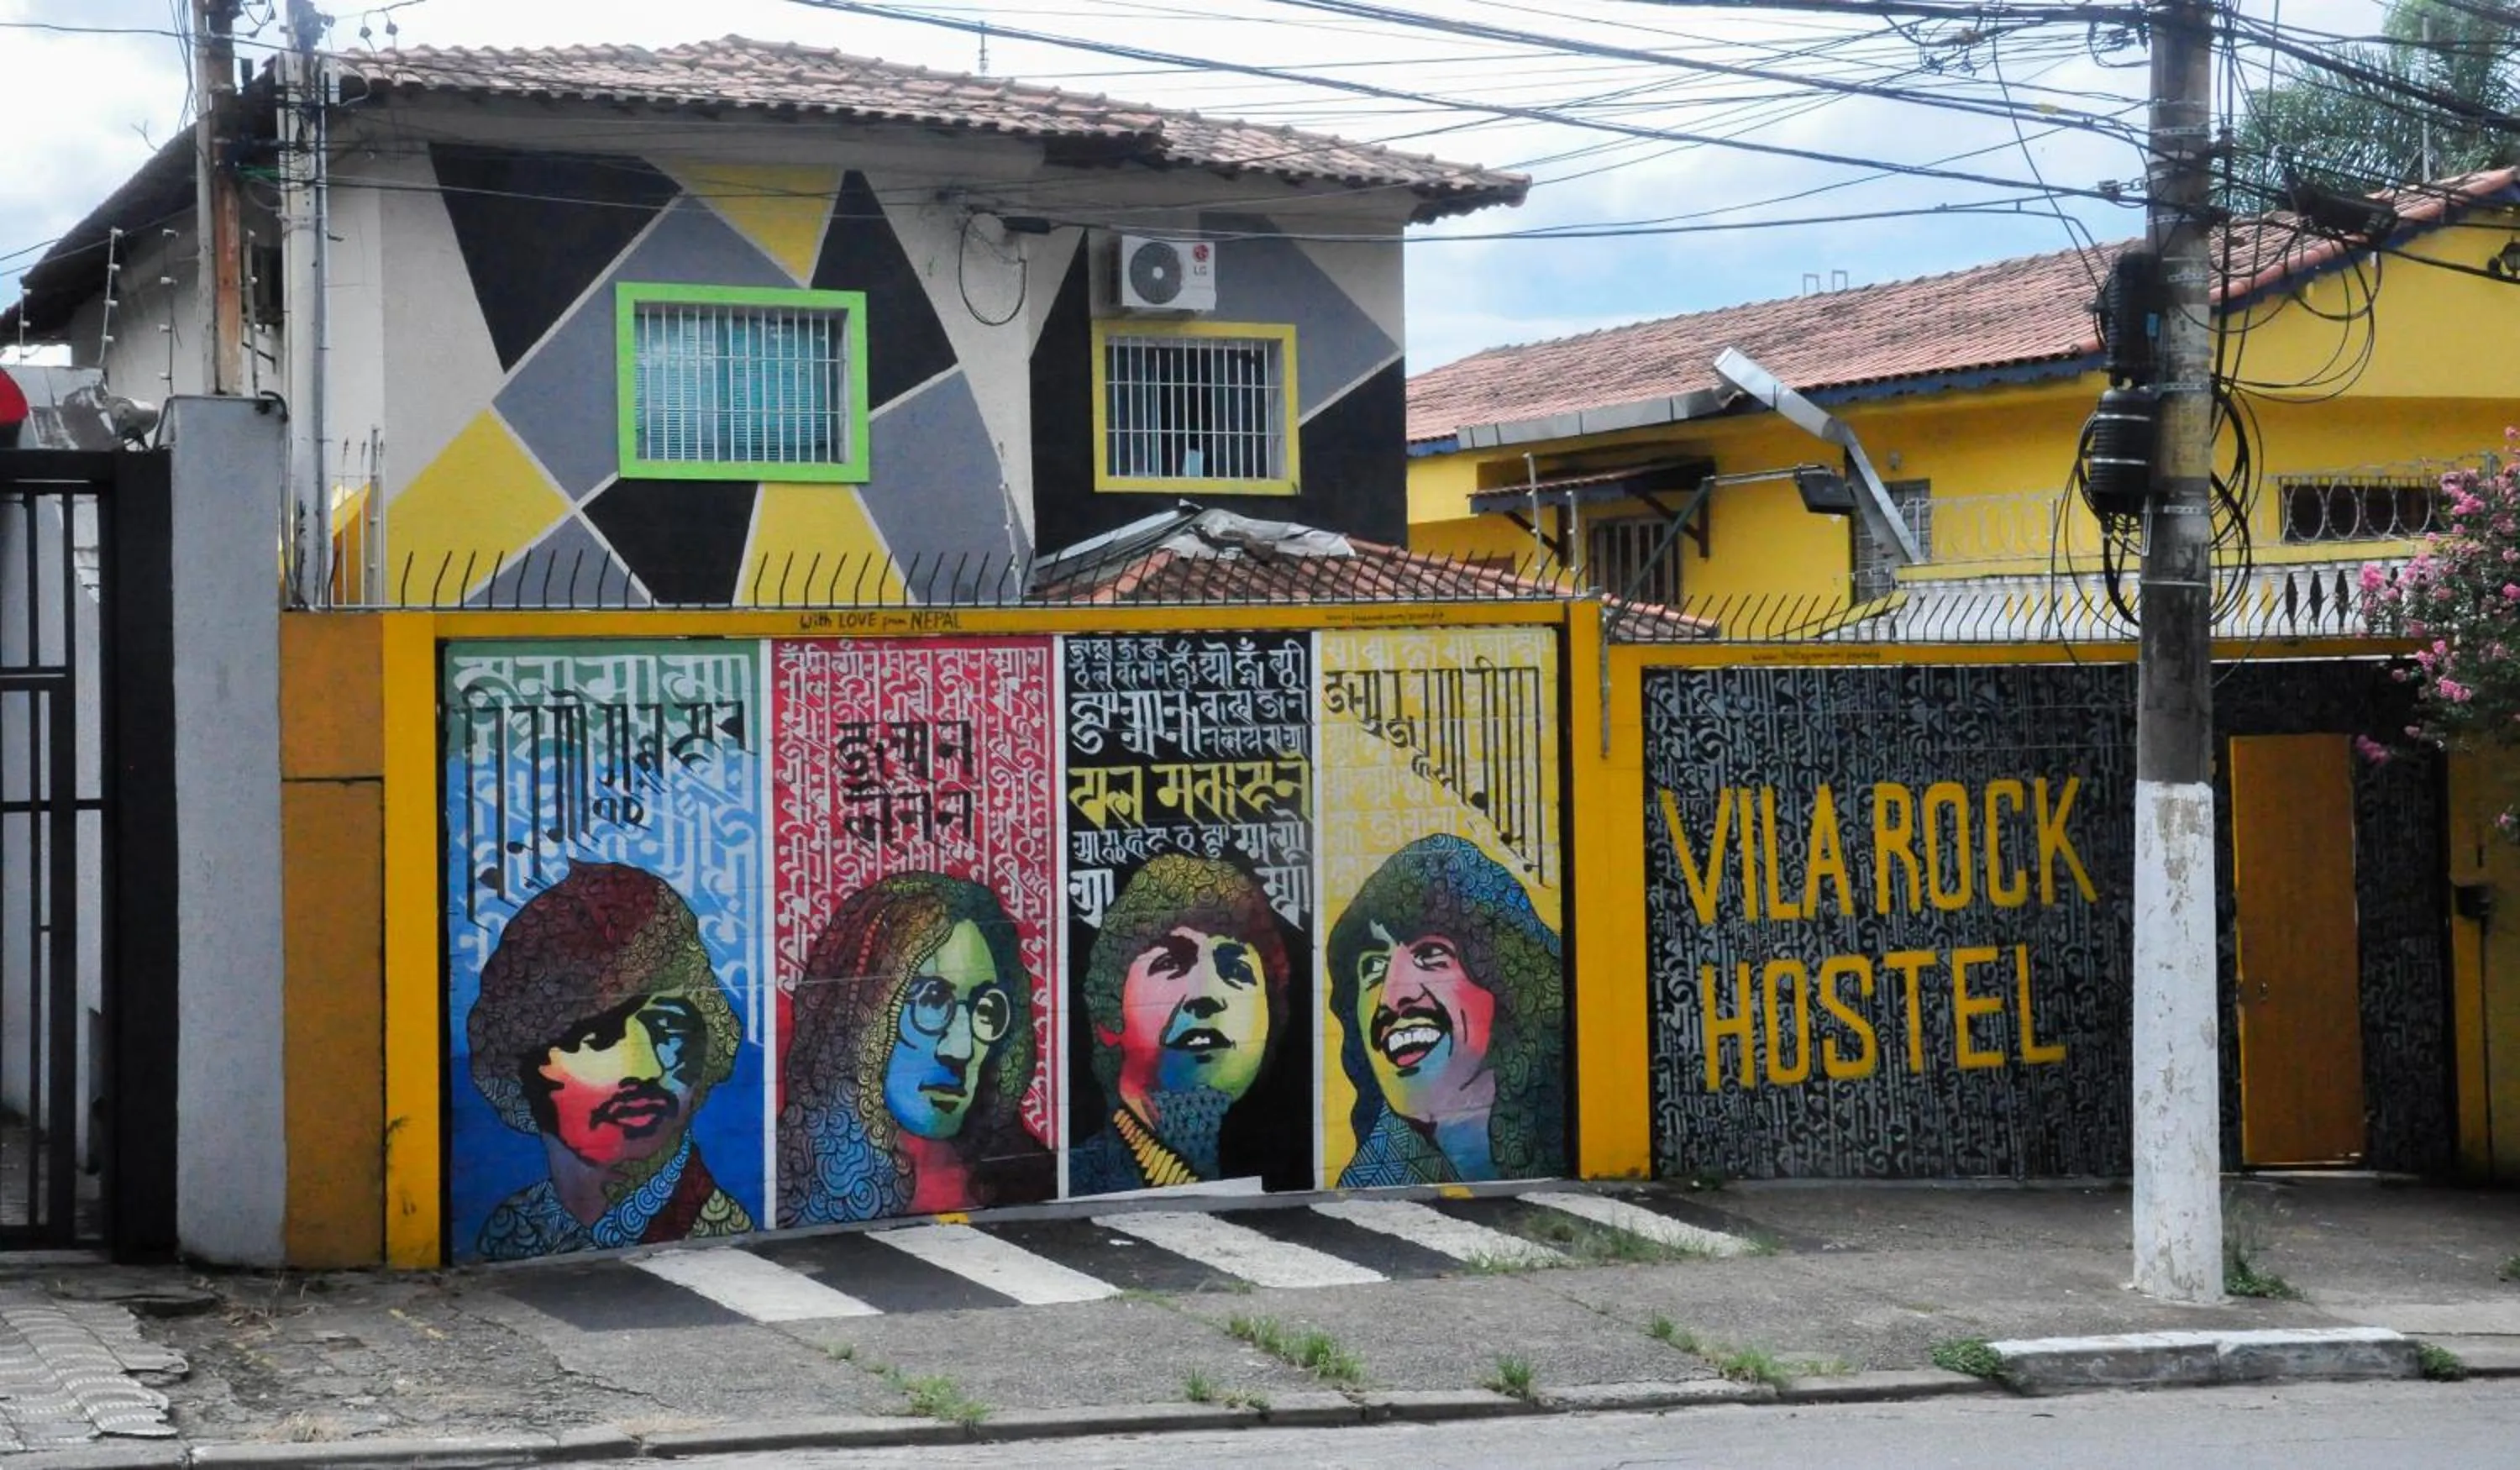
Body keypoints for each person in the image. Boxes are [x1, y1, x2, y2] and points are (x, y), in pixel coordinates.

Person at [466, 863, 753, 1261]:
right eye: (599, 1038)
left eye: (667, 1028)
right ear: (523, 1066)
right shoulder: (514, 1228)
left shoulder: (713, 1227)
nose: (648, 1068)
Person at [779, 873, 1049, 1225]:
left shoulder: (1028, 1178)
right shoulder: (791, 1178)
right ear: (865, 1016)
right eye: (932, 1002)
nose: (960, 1049)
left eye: (986, 1010)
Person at [1327, 835, 1564, 1186]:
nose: (1391, 999)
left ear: (1507, 981)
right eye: (1374, 968)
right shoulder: (1372, 1182)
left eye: (1430, 956)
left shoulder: (1578, 1122)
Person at [1069, 854, 1289, 1193]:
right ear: (1108, 1015)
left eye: (1236, 971)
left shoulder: (1279, 1164)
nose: (1206, 995)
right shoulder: (1081, 1178)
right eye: (1170, 963)